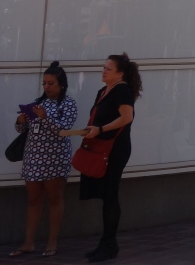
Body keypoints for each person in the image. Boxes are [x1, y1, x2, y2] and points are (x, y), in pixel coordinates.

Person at [11, 62, 77, 258]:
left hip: (55, 158)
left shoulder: (68, 103)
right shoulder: (37, 102)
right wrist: (20, 121)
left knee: (55, 199)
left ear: (61, 85)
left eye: (51, 83)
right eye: (44, 83)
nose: (46, 87)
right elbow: (23, 130)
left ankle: (52, 242)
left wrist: (45, 117)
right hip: (33, 157)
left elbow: (64, 129)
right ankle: (28, 242)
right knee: (33, 200)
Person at [78, 53, 139, 262]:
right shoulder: (104, 91)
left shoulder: (122, 90)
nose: (103, 71)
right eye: (103, 67)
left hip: (115, 148)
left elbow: (127, 117)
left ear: (120, 74)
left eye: (108, 69)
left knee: (110, 194)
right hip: (102, 146)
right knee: (106, 195)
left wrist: (101, 129)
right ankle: (106, 243)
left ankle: (110, 243)